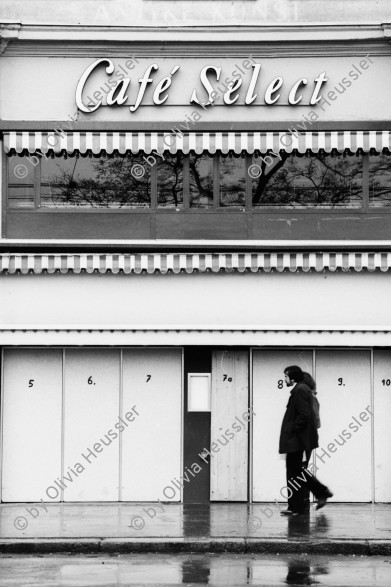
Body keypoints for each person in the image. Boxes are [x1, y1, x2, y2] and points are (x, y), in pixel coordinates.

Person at [279, 365, 333, 515]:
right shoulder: (300, 390)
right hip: (296, 440)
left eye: (285, 376)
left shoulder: (301, 390)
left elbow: (304, 415)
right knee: (294, 473)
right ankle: (296, 507)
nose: (284, 379)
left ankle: (321, 492)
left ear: (293, 377)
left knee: (297, 472)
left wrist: (291, 429)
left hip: (297, 441)